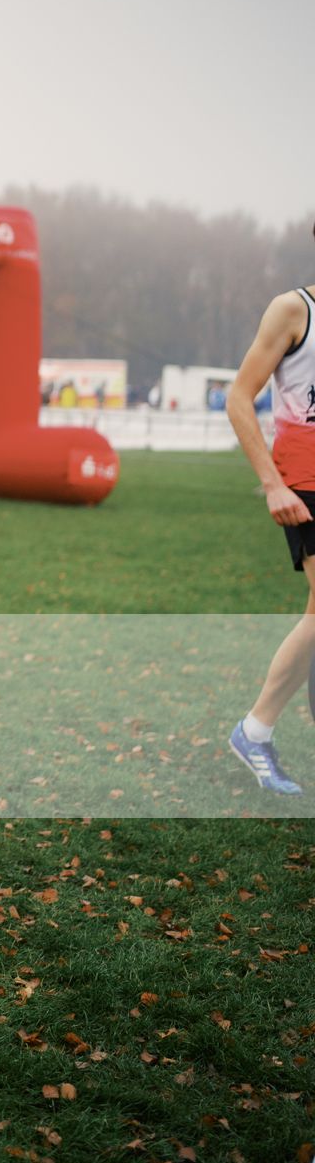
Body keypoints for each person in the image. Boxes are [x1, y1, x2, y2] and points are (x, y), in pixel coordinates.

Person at [224, 261, 315, 793]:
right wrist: (272, 485)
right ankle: (253, 732)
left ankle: (254, 731)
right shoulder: (293, 310)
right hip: (304, 487)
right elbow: (240, 398)